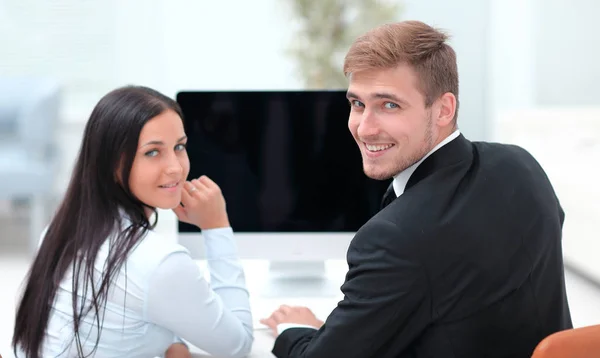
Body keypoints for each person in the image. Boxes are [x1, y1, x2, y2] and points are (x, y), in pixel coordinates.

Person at [260, 20, 572, 357]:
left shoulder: (395, 237)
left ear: (443, 110)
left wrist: (296, 330)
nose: (364, 128)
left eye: (389, 105)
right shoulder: (520, 164)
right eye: (357, 104)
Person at [11, 86, 254, 358]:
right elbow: (239, 344)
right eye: (152, 152)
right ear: (111, 163)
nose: (175, 166)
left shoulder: (59, 230)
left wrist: (173, 343)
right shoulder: (159, 262)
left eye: (179, 147)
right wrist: (216, 225)